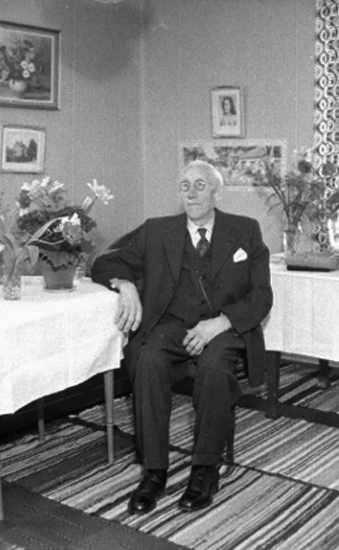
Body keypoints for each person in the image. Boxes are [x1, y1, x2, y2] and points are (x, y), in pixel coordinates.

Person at [91, 160, 273, 514]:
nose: (191, 193)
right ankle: (153, 471)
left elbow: (262, 296)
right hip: (172, 325)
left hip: (221, 326)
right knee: (147, 358)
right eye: (185, 185)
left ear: (217, 192)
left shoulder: (245, 230)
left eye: (200, 185)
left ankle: (205, 470)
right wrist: (125, 284)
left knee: (214, 368)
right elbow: (104, 262)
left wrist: (221, 323)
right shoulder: (157, 231)